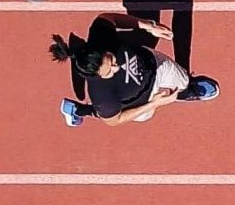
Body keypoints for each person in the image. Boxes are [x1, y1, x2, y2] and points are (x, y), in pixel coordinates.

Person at [49, 13, 218, 127]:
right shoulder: (101, 94)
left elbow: (110, 18)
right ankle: (81, 110)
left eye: (112, 59)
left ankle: (185, 90)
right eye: (110, 71)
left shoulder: (100, 35)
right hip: (141, 100)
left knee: (184, 81)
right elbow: (114, 120)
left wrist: (149, 26)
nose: (118, 66)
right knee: (143, 116)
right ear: (96, 76)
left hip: (154, 64)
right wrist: (154, 103)